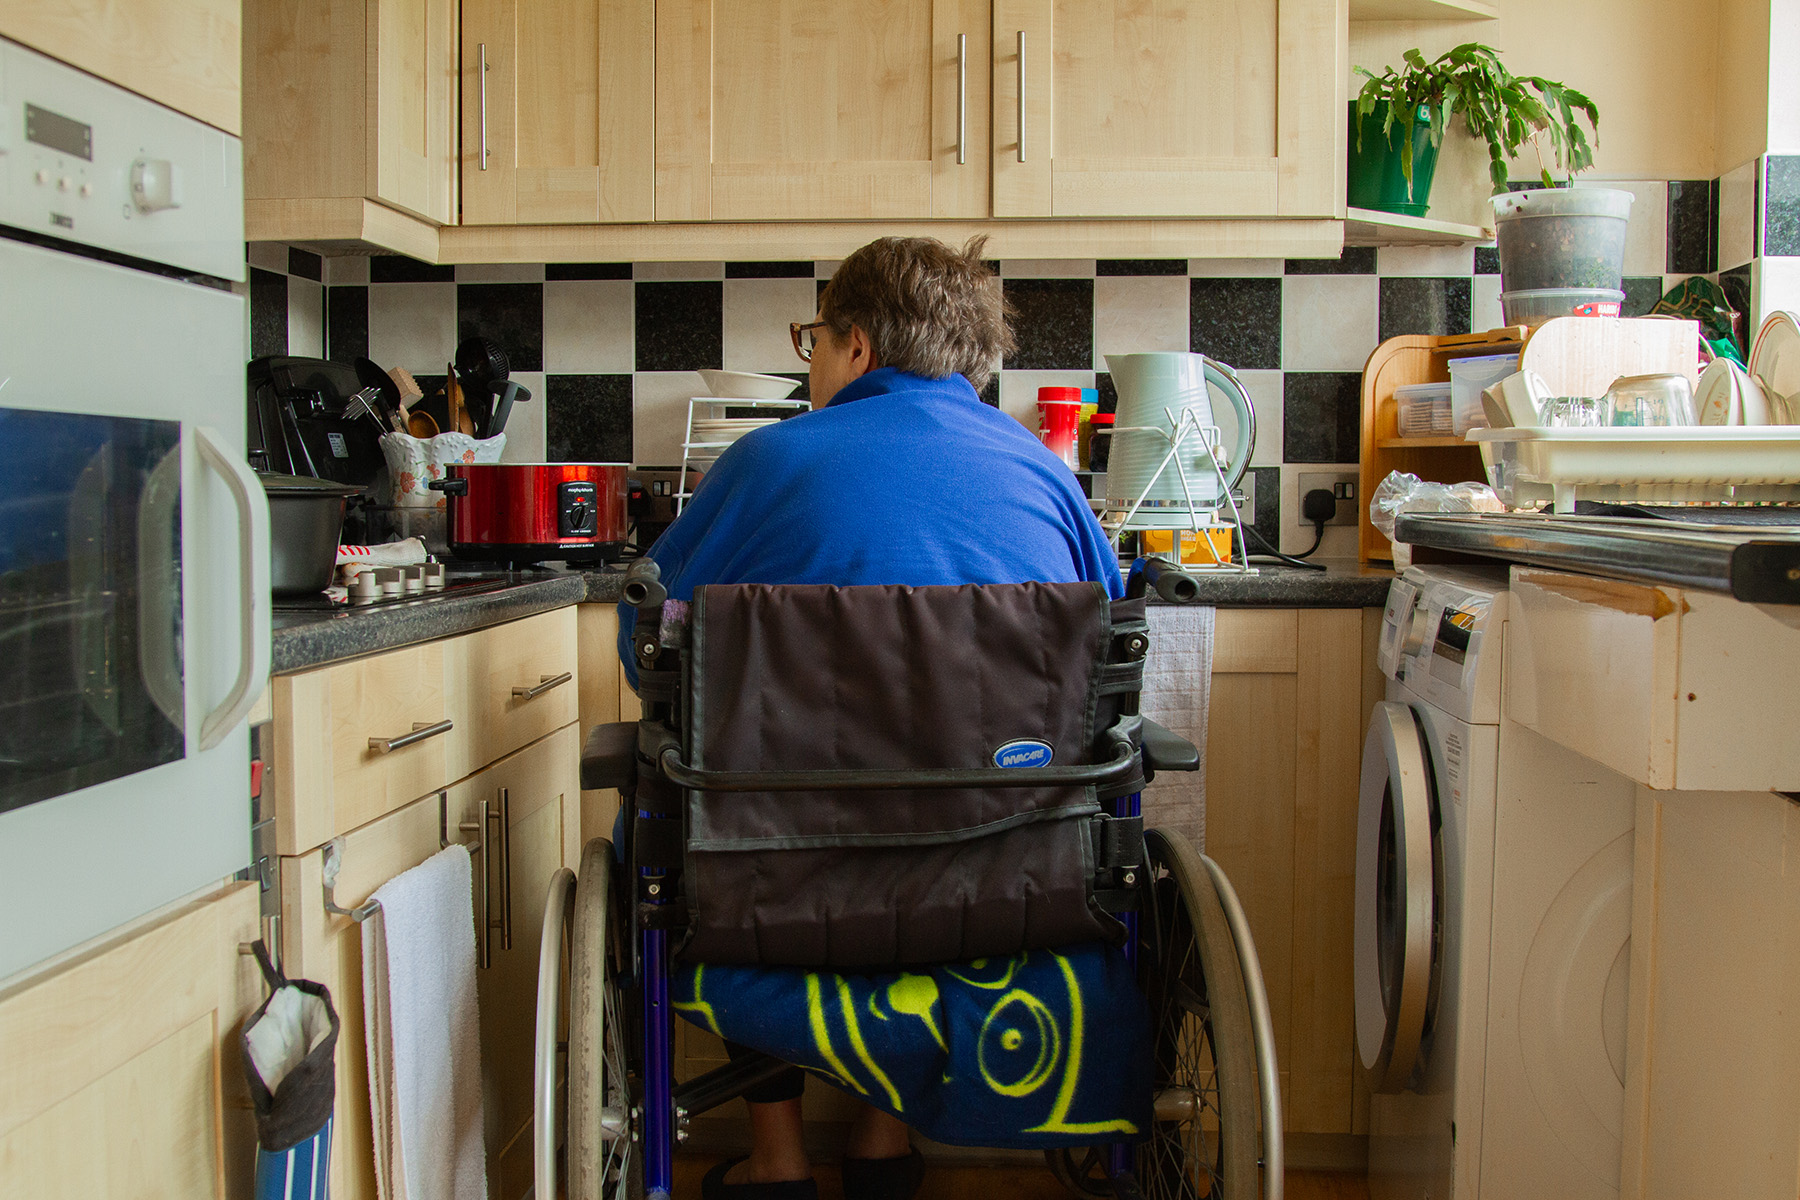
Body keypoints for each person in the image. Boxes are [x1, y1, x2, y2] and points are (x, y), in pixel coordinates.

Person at [617, 235, 1124, 1200]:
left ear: (855, 344)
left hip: (778, 881)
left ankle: (775, 1160)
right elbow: (1103, 664)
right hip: (1002, 872)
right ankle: (882, 1143)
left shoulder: (764, 464)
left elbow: (647, 646)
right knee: (912, 833)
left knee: (708, 805)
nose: (812, 362)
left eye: (813, 340)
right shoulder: (1050, 479)